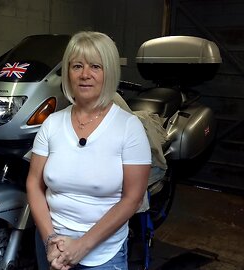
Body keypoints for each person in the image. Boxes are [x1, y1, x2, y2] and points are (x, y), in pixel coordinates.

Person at [26, 31, 151, 270]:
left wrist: (82, 245)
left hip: (103, 255)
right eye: (77, 66)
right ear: (68, 72)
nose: (85, 75)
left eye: (95, 66)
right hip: (53, 249)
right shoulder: (51, 124)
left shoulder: (128, 127)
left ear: (109, 72)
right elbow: (34, 183)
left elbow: (132, 199)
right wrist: (50, 240)